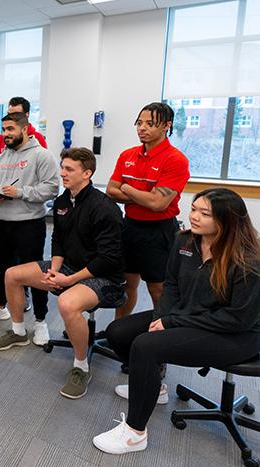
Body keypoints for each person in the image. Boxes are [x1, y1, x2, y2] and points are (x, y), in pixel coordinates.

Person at [93, 188, 260, 455]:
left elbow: (237, 318)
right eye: (194, 209)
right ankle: (154, 387)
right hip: (186, 314)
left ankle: (135, 433)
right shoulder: (184, 240)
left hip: (234, 334)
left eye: (204, 213)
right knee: (118, 332)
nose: (194, 216)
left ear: (227, 220)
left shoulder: (248, 260)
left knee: (146, 346)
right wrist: (161, 316)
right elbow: (170, 284)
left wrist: (172, 322)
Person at [0, 148, 124, 399]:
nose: (62, 173)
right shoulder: (63, 202)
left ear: (87, 173)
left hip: (104, 277)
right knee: (12, 275)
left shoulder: (105, 208)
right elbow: (58, 240)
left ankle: (81, 367)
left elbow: (108, 259)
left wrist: (68, 280)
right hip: (69, 267)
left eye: (69, 169)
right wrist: (54, 270)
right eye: (62, 167)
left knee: (67, 303)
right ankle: (18, 332)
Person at [0, 112, 60, 348]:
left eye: (11, 129)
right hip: (0, 222)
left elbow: (52, 188)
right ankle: (1, 307)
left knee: (35, 274)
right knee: (1, 269)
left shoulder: (41, 155)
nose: (6, 134)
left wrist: (21, 192)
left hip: (28, 223)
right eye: (4, 129)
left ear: (25, 129)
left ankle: (41, 320)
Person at [107, 102, 190, 321]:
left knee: (158, 289)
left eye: (150, 124)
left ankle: (159, 338)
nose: (142, 128)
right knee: (126, 285)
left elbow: (157, 204)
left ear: (166, 126)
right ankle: (118, 330)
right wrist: (142, 194)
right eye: (139, 123)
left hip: (159, 231)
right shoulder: (127, 155)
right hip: (130, 226)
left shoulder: (175, 160)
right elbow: (110, 191)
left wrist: (125, 187)